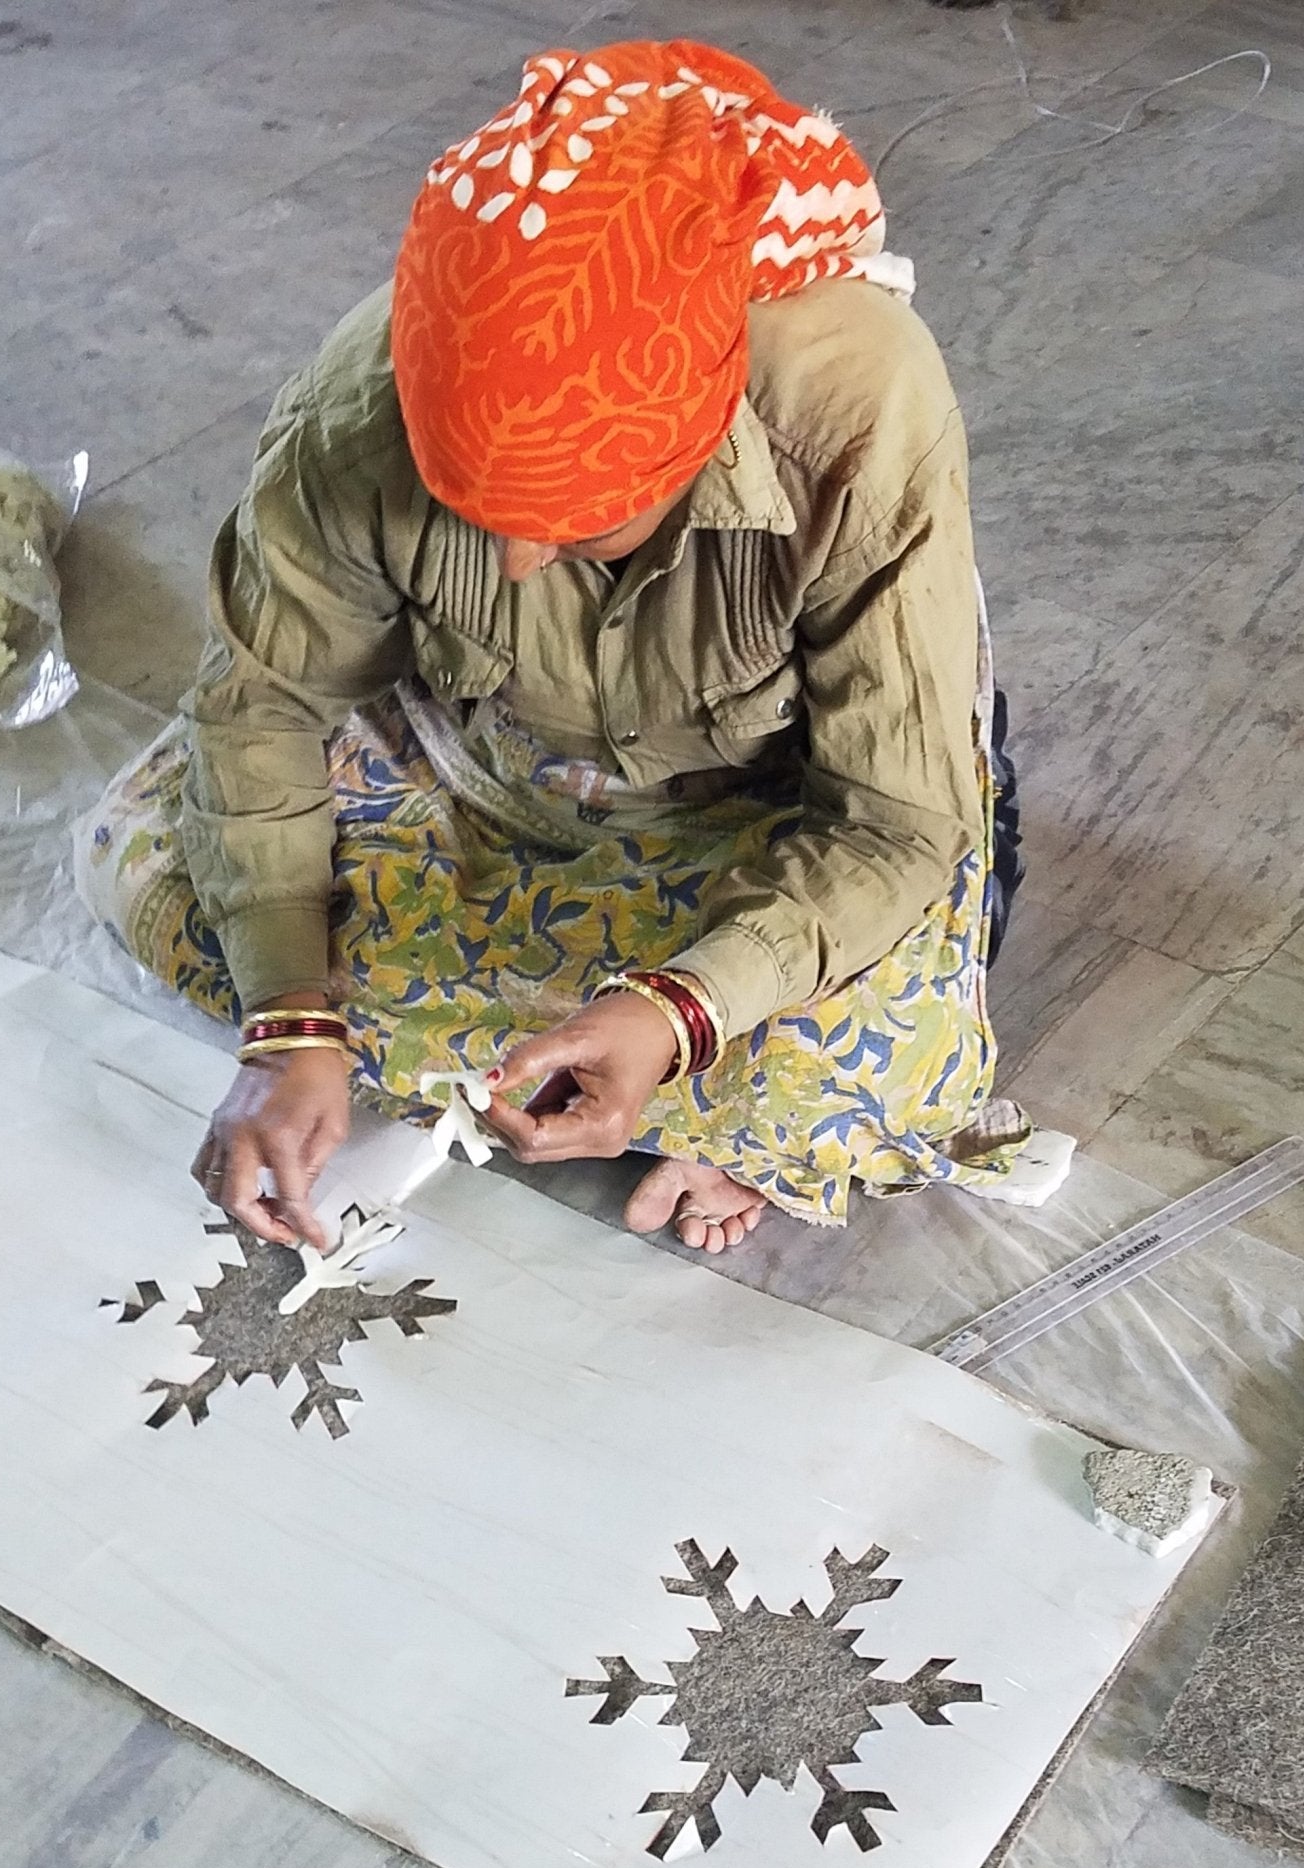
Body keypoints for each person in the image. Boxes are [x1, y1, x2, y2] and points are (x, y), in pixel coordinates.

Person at [79, 38, 1029, 1259]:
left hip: (770, 807)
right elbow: (258, 711)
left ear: (692, 435)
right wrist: (286, 1022)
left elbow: (891, 820)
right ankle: (690, 1110)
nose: (523, 564)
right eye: (478, 513)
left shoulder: (852, 405)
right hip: (494, 773)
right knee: (151, 855)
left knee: (880, 1051)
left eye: (582, 520)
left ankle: (693, 1081)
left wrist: (676, 1013)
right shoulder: (358, 411)